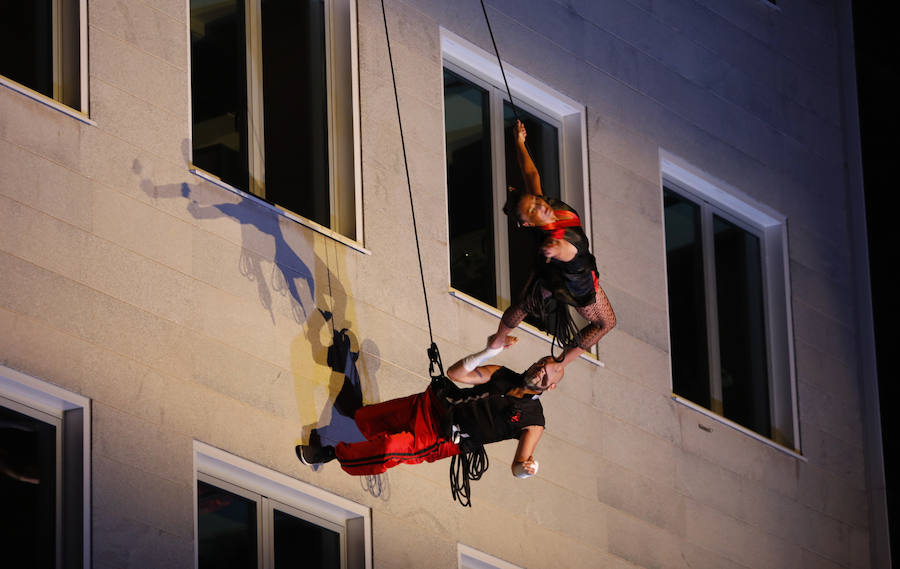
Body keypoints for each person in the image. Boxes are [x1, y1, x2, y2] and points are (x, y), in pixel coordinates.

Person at [295, 339, 559, 479]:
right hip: (431, 404)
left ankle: (333, 453)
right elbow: (456, 373)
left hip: (441, 436)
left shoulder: (533, 420)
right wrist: (489, 351)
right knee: (365, 417)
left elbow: (517, 466)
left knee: (388, 449)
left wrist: (526, 469)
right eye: (539, 365)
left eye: (545, 375)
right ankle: (350, 386)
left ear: (551, 387)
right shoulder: (502, 374)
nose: (538, 373)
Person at [488, 120, 616, 383]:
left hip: (555, 270)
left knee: (525, 303)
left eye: (536, 201)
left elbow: (531, 174)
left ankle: (499, 339)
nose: (541, 206)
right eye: (534, 210)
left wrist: (519, 142)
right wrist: (554, 249)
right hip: (575, 281)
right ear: (527, 223)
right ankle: (560, 364)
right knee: (606, 323)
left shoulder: (542, 206)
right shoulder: (555, 238)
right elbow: (561, 246)